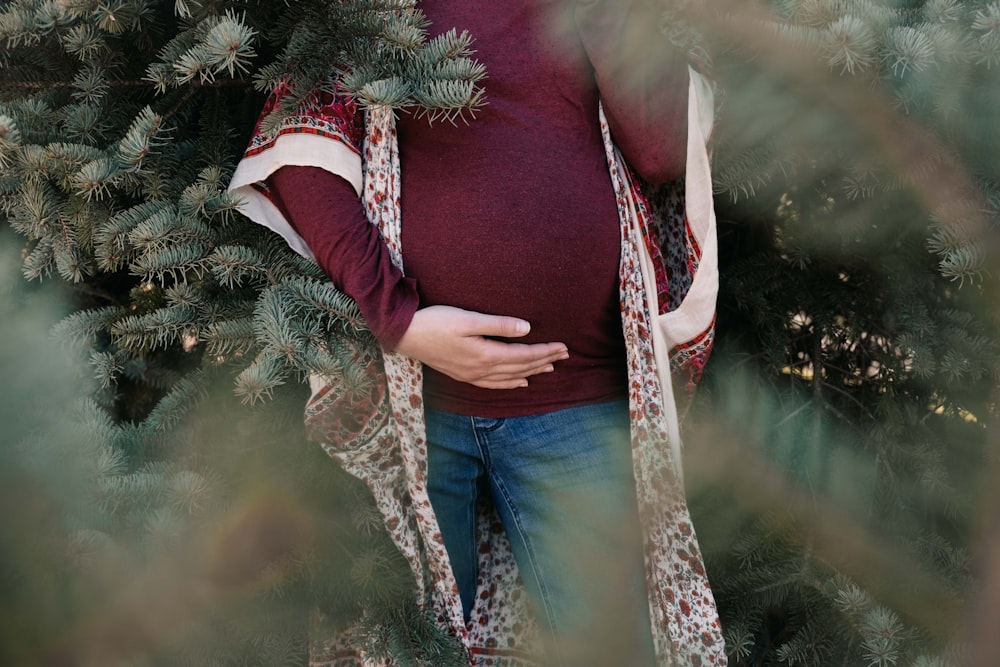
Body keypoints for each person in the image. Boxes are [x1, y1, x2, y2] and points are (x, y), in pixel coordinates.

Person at [230, 1, 725, 665]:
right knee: (407, 647)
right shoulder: (380, 10)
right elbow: (300, 153)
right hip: (413, 408)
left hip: (576, 399)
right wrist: (397, 319)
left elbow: (663, 147)